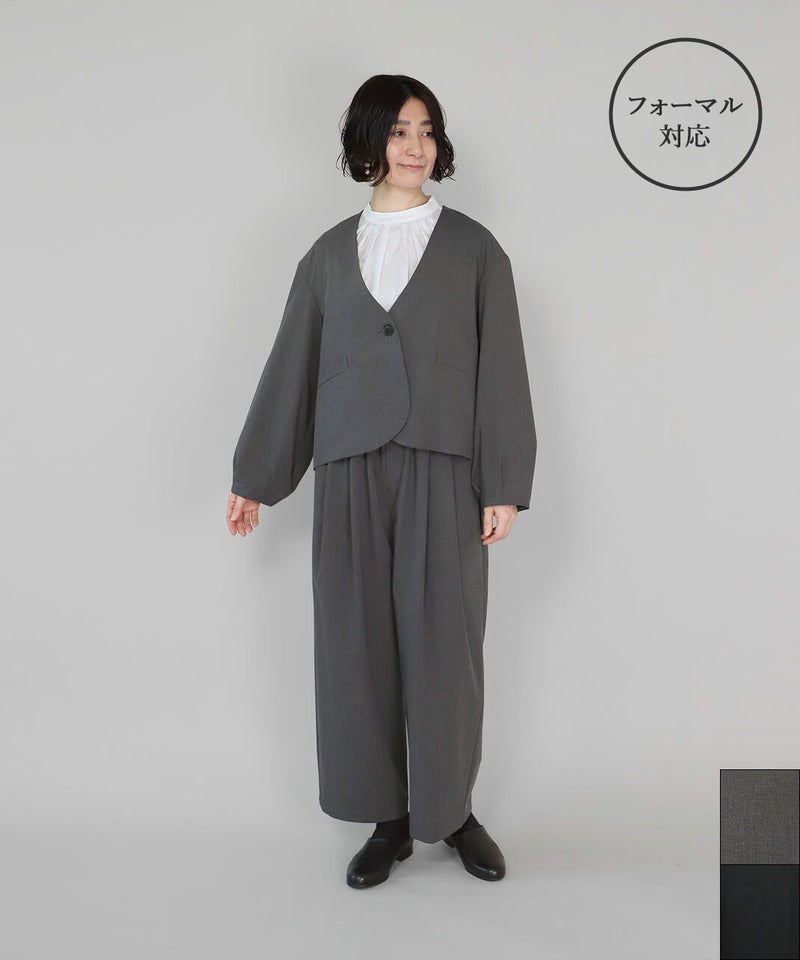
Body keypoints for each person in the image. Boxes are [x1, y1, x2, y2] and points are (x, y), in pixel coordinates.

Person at [226, 74, 537, 888]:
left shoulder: (476, 249)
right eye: (399, 130)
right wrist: (256, 475)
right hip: (350, 472)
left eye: (427, 130)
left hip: (445, 471)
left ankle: (452, 812)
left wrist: (502, 482)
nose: (415, 146)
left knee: (446, 650)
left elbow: (503, 368)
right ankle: (387, 821)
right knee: (355, 647)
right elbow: (292, 366)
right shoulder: (328, 256)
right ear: (368, 141)